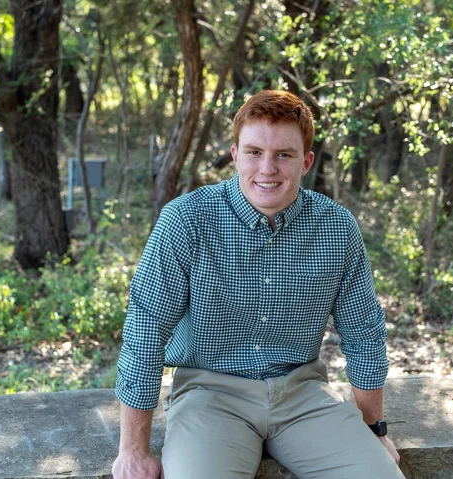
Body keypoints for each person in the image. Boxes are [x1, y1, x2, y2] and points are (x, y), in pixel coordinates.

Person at [112, 90, 406, 479]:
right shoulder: (186, 221)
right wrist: (133, 448)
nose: (267, 168)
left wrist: (375, 431)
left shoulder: (337, 227)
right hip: (209, 395)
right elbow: (145, 330)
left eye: (283, 154)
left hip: (302, 393)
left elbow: (364, 333)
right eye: (254, 152)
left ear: (306, 162)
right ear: (235, 156)